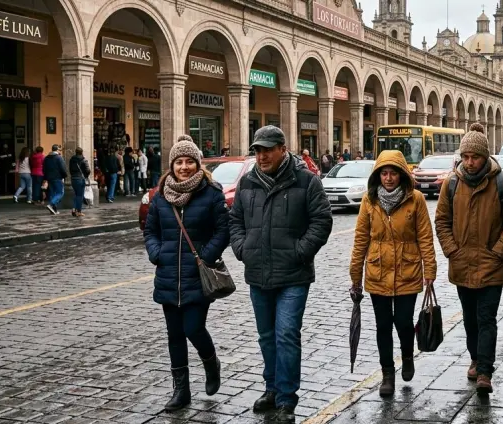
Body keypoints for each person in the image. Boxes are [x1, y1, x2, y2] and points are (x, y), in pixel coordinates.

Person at [229, 126, 332, 422]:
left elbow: (321, 221)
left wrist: (301, 251)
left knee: (286, 334)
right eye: (258, 151)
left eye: (267, 150)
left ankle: (287, 398)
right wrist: (242, 248)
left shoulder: (306, 181)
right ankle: (271, 388)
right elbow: (235, 220)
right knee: (266, 336)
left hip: (294, 275)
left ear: (282, 149)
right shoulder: (248, 183)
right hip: (258, 272)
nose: (261, 156)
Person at [435, 123, 503, 394]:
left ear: (485, 157)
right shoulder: (451, 184)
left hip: (491, 266)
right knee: (470, 319)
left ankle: (485, 370)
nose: (470, 163)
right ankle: (475, 358)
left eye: (475, 157)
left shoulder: (502, 183)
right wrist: (452, 250)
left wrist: (497, 252)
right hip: (462, 264)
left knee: (486, 318)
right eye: (466, 157)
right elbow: (441, 221)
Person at [143, 135, 229, 412]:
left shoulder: (211, 193)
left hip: (196, 275)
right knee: (174, 334)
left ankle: (211, 363)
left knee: (193, 327)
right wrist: (156, 253)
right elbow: (150, 230)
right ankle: (181, 390)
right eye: (178, 162)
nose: (183, 167)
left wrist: (204, 256)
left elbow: (222, 231)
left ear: (197, 164)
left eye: (189, 161)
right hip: (168, 274)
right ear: (171, 165)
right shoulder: (160, 196)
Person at [349, 150, 436, 397]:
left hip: (408, 270)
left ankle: (407, 356)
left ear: (401, 175)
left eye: (393, 173)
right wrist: (356, 274)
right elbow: (360, 239)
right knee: (383, 325)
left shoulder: (416, 199)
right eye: (384, 174)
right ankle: (388, 372)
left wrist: (430, 270)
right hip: (378, 271)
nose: (388, 178)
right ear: (378, 176)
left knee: (404, 322)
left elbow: (425, 238)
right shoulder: (369, 200)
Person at [42, 144, 68, 215]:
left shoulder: (46, 158)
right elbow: (63, 168)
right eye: (59, 149)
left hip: (49, 178)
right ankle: (51, 204)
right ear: (57, 150)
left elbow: (44, 169)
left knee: (53, 194)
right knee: (60, 193)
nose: (60, 151)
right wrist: (65, 175)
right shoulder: (59, 158)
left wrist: (45, 177)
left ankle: (54, 210)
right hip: (57, 177)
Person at [69, 147, 91, 217]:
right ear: (82, 152)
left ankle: (74, 209)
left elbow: (70, 169)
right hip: (80, 179)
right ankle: (78, 211)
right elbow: (88, 170)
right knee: (80, 195)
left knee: (76, 194)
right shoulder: (84, 160)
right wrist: (86, 176)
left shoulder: (72, 160)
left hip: (73, 179)